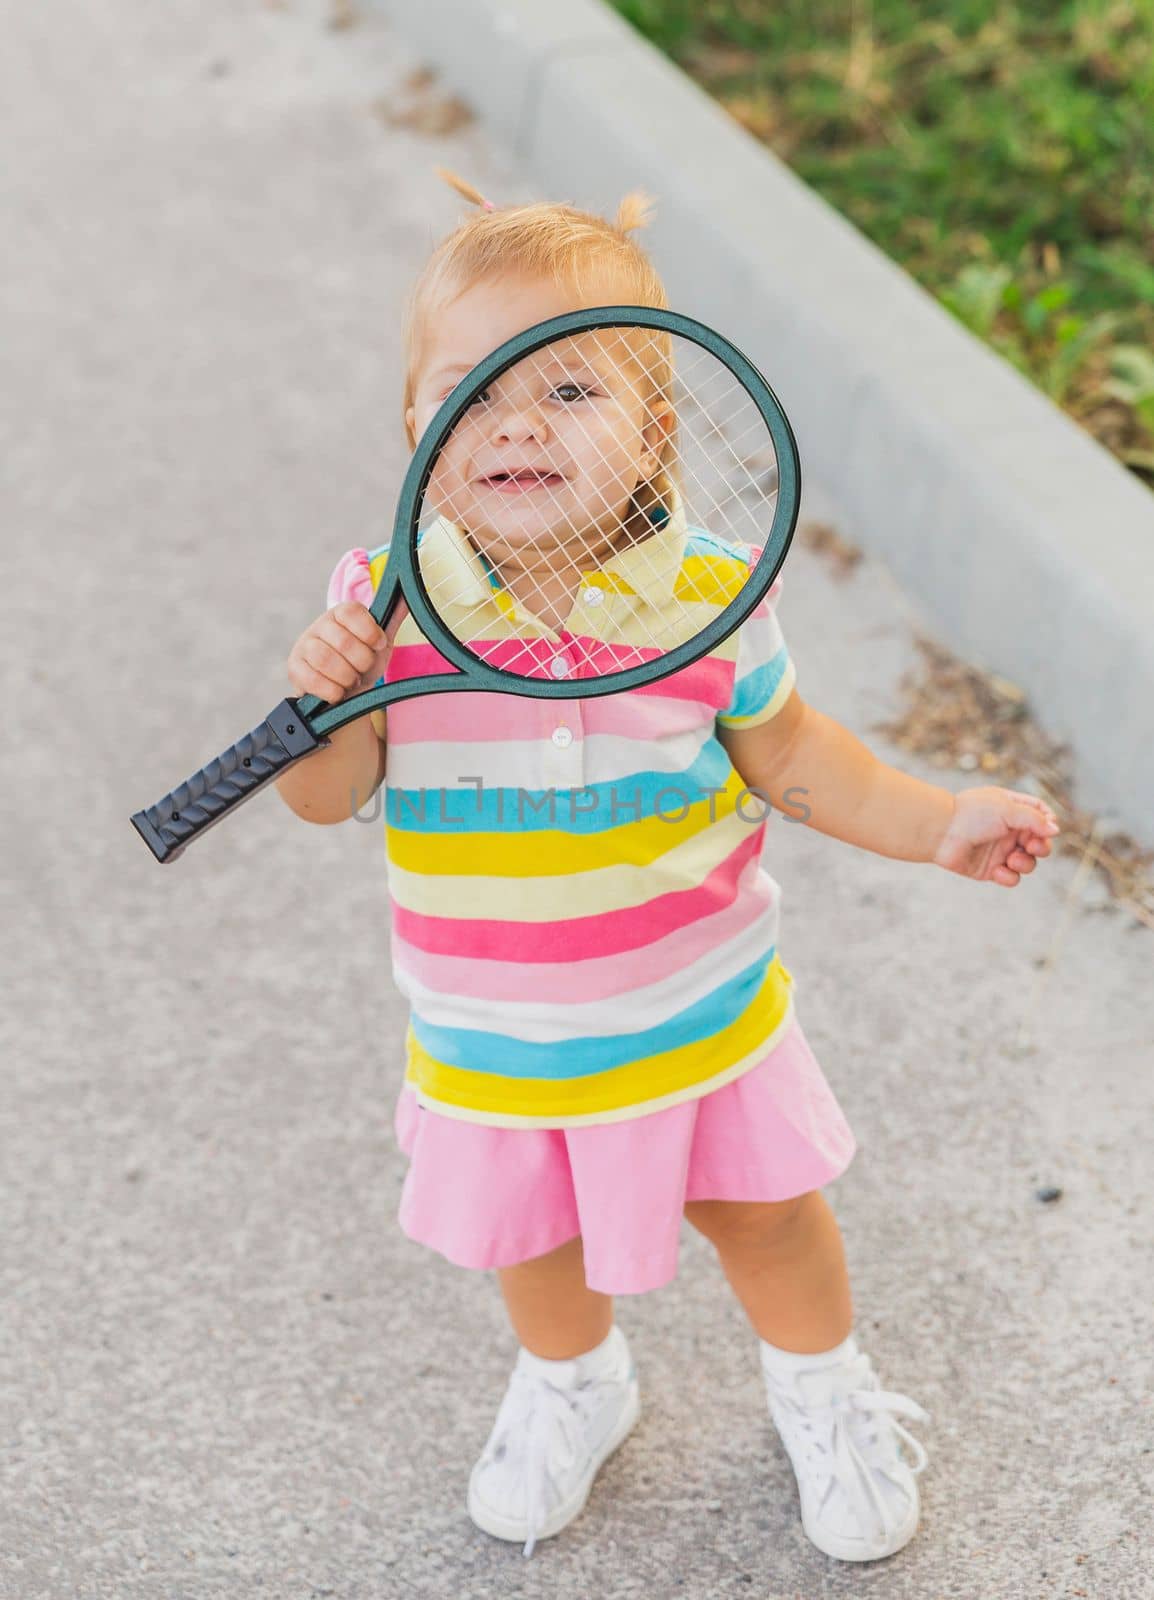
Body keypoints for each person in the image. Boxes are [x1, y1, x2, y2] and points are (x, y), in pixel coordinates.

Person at [274, 171, 1061, 1565]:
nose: (512, 416)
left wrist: (935, 818)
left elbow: (801, 762)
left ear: (654, 436)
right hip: (494, 1037)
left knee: (767, 1219)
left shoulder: (710, 599)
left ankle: (821, 1389)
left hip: (699, 1019)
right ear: (413, 430)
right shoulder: (386, 604)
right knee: (536, 1246)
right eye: (471, 388)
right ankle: (575, 1382)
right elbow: (326, 794)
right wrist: (312, 699)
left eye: (567, 390)